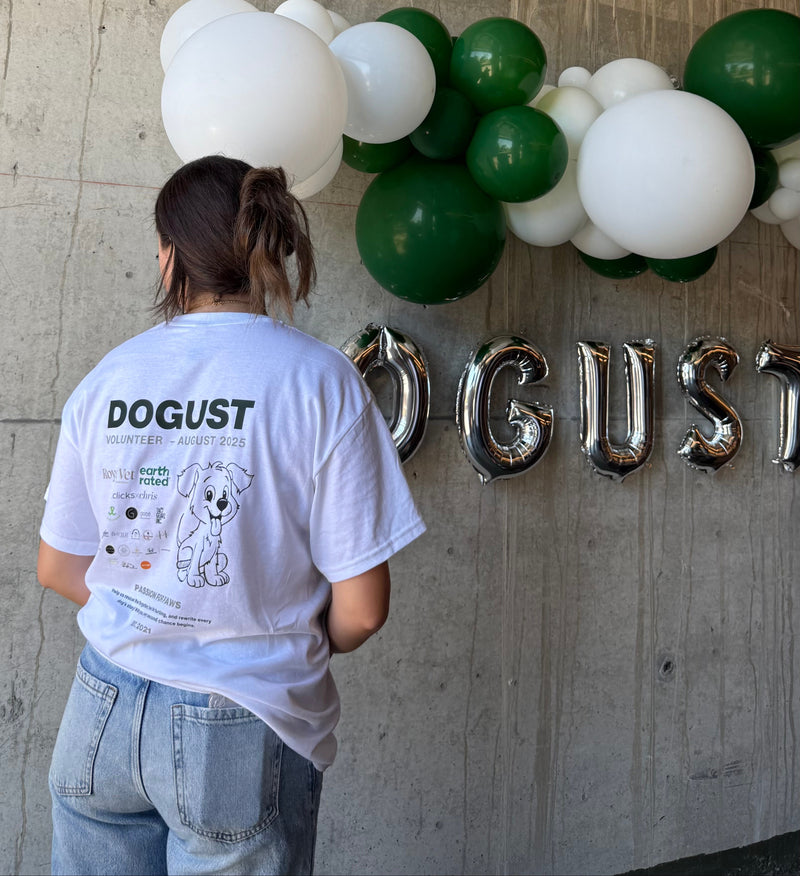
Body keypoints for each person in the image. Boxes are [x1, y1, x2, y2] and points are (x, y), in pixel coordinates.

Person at [37, 155, 426, 876]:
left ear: (168, 258)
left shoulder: (108, 379)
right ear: (263, 248)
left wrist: (159, 611)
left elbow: (58, 567)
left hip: (100, 706)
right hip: (243, 718)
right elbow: (363, 611)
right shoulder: (320, 382)